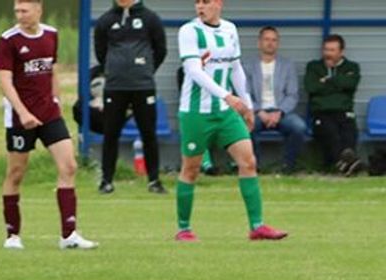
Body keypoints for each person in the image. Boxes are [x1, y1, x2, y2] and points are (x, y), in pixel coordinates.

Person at [173, 0, 286, 242]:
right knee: (191, 169)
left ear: (219, 4)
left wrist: (247, 106)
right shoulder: (189, 31)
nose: (200, 7)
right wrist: (227, 95)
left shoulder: (229, 30)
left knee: (248, 162)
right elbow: (194, 71)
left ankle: (257, 226)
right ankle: (183, 229)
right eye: (197, 2)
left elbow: (235, 69)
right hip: (196, 112)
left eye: (206, 2)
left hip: (225, 112)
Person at [0, 0, 98, 250]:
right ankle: (13, 235)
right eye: (17, 11)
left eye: (25, 11)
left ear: (38, 10)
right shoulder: (8, 39)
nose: (20, 15)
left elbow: (51, 70)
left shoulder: (51, 34)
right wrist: (23, 113)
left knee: (69, 166)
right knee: (16, 173)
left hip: (49, 114)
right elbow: (5, 81)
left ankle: (68, 235)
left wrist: (57, 100)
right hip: (21, 117)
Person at [93, 0, 167, 195]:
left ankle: (154, 181)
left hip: (143, 86)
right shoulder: (105, 20)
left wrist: (145, 71)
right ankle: (106, 181)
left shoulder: (150, 18)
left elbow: (161, 50)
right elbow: (101, 52)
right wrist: (115, 70)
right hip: (115, 87)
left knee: (148, 133)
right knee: (110, 134)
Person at [243, 26, 307, 174]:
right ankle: (254, 167)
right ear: (259, 43)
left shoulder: (287, 65)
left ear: (278, 43)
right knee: (245, 128)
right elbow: (244, 94)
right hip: (257, 111)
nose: (270, 43)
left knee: (299, 127)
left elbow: (292, 94)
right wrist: (259, 111)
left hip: (282, 112)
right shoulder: (247, 66)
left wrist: (279, 112)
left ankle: (287, 167)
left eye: (274, 40)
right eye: (266, 39)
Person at [303, 34, 360, 173]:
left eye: (332, 50)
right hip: (322, 113)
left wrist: (326, 81)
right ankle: (347, 164)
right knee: (330, 133)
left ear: (341, 52)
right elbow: (311, 87)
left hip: (344, 112)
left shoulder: (352, 67)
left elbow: (350, 84)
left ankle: (343, 164)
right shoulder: (314, 67)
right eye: (326, 50)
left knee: (349, 132)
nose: (328, 53)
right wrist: (338, 85)